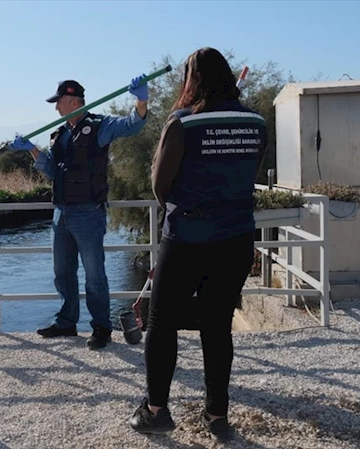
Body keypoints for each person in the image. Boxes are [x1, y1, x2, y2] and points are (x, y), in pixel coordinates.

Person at [126, 47, 268, 441]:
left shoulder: (183, 123)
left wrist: (178, 206)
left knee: (161, 320)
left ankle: (156, 409)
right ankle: (217, 417)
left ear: (192, 79)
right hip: (236, 237)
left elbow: (159, 182)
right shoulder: (255, 122)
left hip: (187, 236)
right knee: (217, 325)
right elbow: (250, 171)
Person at [7, 74, 149, 350]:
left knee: (94, 274)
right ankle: (66, 321)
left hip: (88, 213)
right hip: (61, 213)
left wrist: (141, 99)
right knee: (62, 272)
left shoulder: (99, 126)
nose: (55, 108)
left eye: (58, 103)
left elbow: (132, 124)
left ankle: (101, 327)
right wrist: (32, 150)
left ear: (72, 102)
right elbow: (52, 171)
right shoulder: (59, 135)